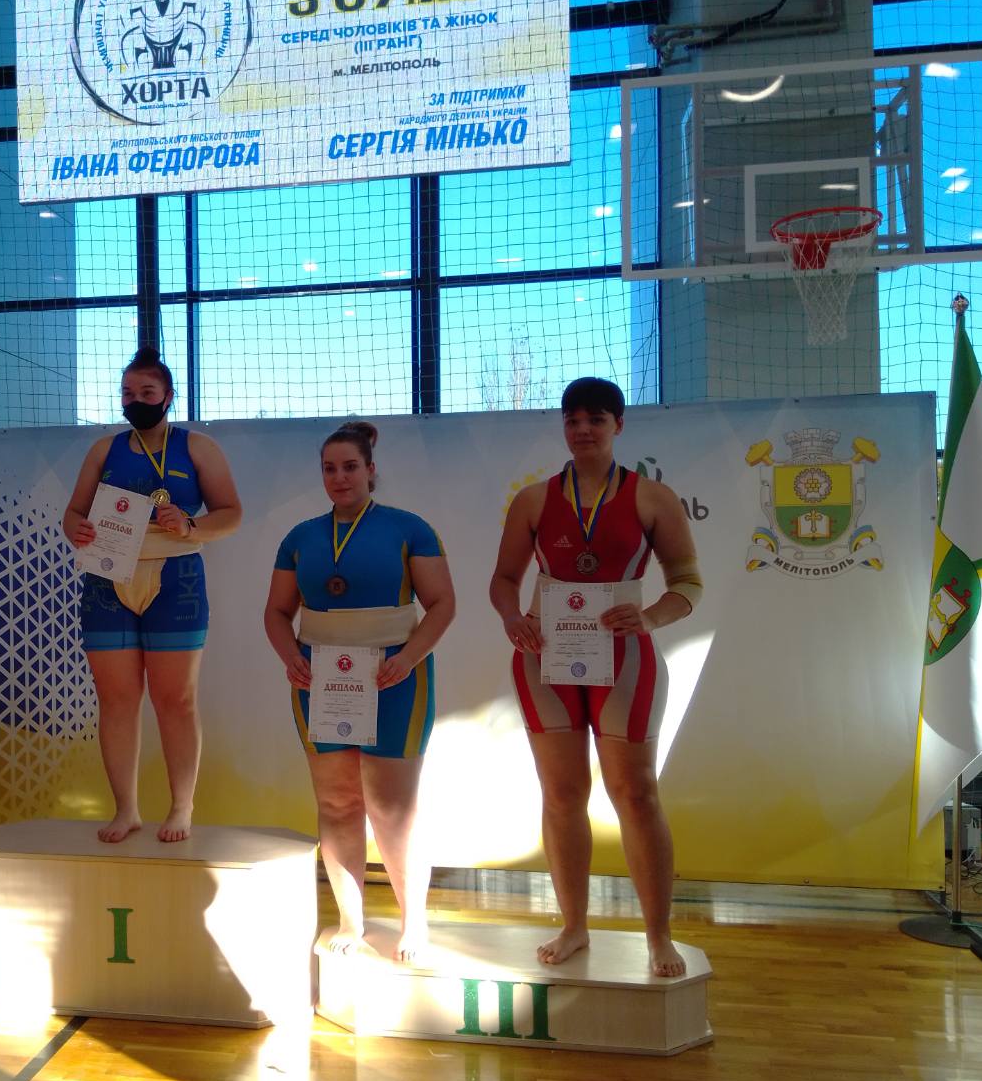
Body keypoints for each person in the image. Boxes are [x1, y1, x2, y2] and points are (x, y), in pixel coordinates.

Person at [489, 377, 702, 976]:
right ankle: (574, 926)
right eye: (573, 420)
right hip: (544, 656)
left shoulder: (652, 498)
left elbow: (689, 584)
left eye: (596, 420)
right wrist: (513, 619)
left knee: (635, 793)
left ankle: (658, 935)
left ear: (618, 426)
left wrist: (649, 617)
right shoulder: (534, 500)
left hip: (623, 658)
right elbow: (503, 580)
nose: (582, 430)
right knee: (562, 795)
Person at [263, 421, 455, 961]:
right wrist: (291, 658)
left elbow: (442, 604)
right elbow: (276, 613)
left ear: (371, 470)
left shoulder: (410, 529)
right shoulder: (299, 538)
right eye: (329, 468)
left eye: (350, 467)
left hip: (396, 679)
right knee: (337, 801)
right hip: (319, 682)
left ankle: (414, 923)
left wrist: (407, 660)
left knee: (392, 806)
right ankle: (350, 920)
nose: (339, 477)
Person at [62, 350, 242, 843]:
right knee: (116, 701)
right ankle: (126, 810)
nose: (135, 401)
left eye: (146, 392)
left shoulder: (197, 447)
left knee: (175, 700)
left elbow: (231, 513)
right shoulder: (103, 450)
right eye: (127, 393)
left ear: (167, 397)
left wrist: (189, 525)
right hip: (107, 581)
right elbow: (73, 514)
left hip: (176, 579)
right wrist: (76, 529)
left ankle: (181, 807)